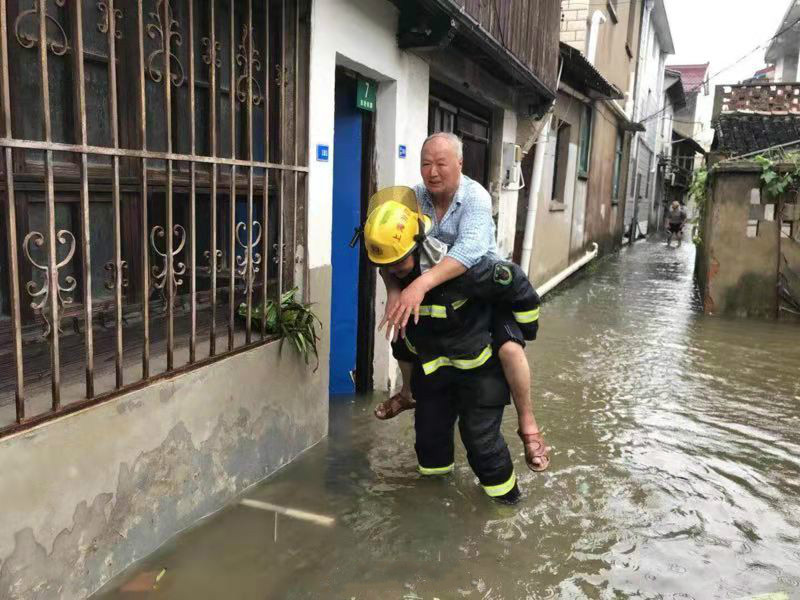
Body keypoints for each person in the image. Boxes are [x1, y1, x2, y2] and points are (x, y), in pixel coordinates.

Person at [361, 191, 550, 502]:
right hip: (435, 375)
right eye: (387, 266)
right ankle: (435, 507)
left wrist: (523, 330)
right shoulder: (398, 275)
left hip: (481, 371)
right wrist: (394, 287)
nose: (394, 271)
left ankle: (507, 506)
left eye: (399, 263)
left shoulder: (468, 272)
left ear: (418, 244)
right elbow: (406, 339)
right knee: (429, 444)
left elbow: (517, 283)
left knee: (481, 444)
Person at [374, 133, 542, 468]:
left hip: (482, 290)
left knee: (510, 349)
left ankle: (529, 425)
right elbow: (389, 251)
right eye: (425, 164)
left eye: (441, 164)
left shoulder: (475, 197)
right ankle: (407, 394)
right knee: (402, 333)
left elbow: (467, 253)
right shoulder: (413, 198)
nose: (432, 172)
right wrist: (394, 290)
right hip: (437, 294)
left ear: (460, 164)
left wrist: (419, 285)